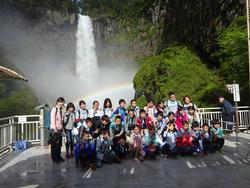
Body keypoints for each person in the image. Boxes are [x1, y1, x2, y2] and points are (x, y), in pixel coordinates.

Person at [50, 97, 65, 164]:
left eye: (62, 102)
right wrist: (55, 128)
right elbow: (52, 120)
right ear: (57, 102)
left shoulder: (60, 110)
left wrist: (62, 129)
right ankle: (55, 158)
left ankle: (58, 157)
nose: (62, 103)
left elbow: (61, 121)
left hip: (59, 130)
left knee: (59, 145)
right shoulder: (54, 109)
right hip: (54, 130)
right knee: (54, 145)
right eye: (60, 102)